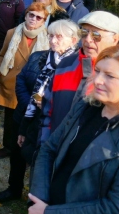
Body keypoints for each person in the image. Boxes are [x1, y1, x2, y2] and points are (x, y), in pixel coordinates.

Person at [27, 45, 119, 214]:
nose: (97, 80)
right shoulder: (85, 107)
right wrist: (40, 199)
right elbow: (48, 150)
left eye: (110, 76)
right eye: (97, 71)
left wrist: (51, 213)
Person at [0, 2, 51, 202]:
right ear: (25, 16)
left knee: (32, 147)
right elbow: (2, 55)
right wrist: (3, 75)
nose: (33, 19)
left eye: (38, 17)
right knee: (11, 125)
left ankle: (34, 196)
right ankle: (14, 185)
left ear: (44, 21)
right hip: (13, 85)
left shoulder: (47, 42)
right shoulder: (13, 33)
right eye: (30, 15)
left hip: (36, 101)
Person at [15, 19, 85, 163]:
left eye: (59, 37)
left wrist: (49, 104)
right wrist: (32, 101)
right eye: (51, 35)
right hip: (29, 117)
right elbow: (22, 81)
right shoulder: (38, 57)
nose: (53, 40)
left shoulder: (77, 66)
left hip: (54, 125)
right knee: (21, 157)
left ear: (73, 40)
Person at [73, 11, 119, 101]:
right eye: (84, 33)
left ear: (115, 39)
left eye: (96, 35)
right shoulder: (65, 64)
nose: (88, 39)